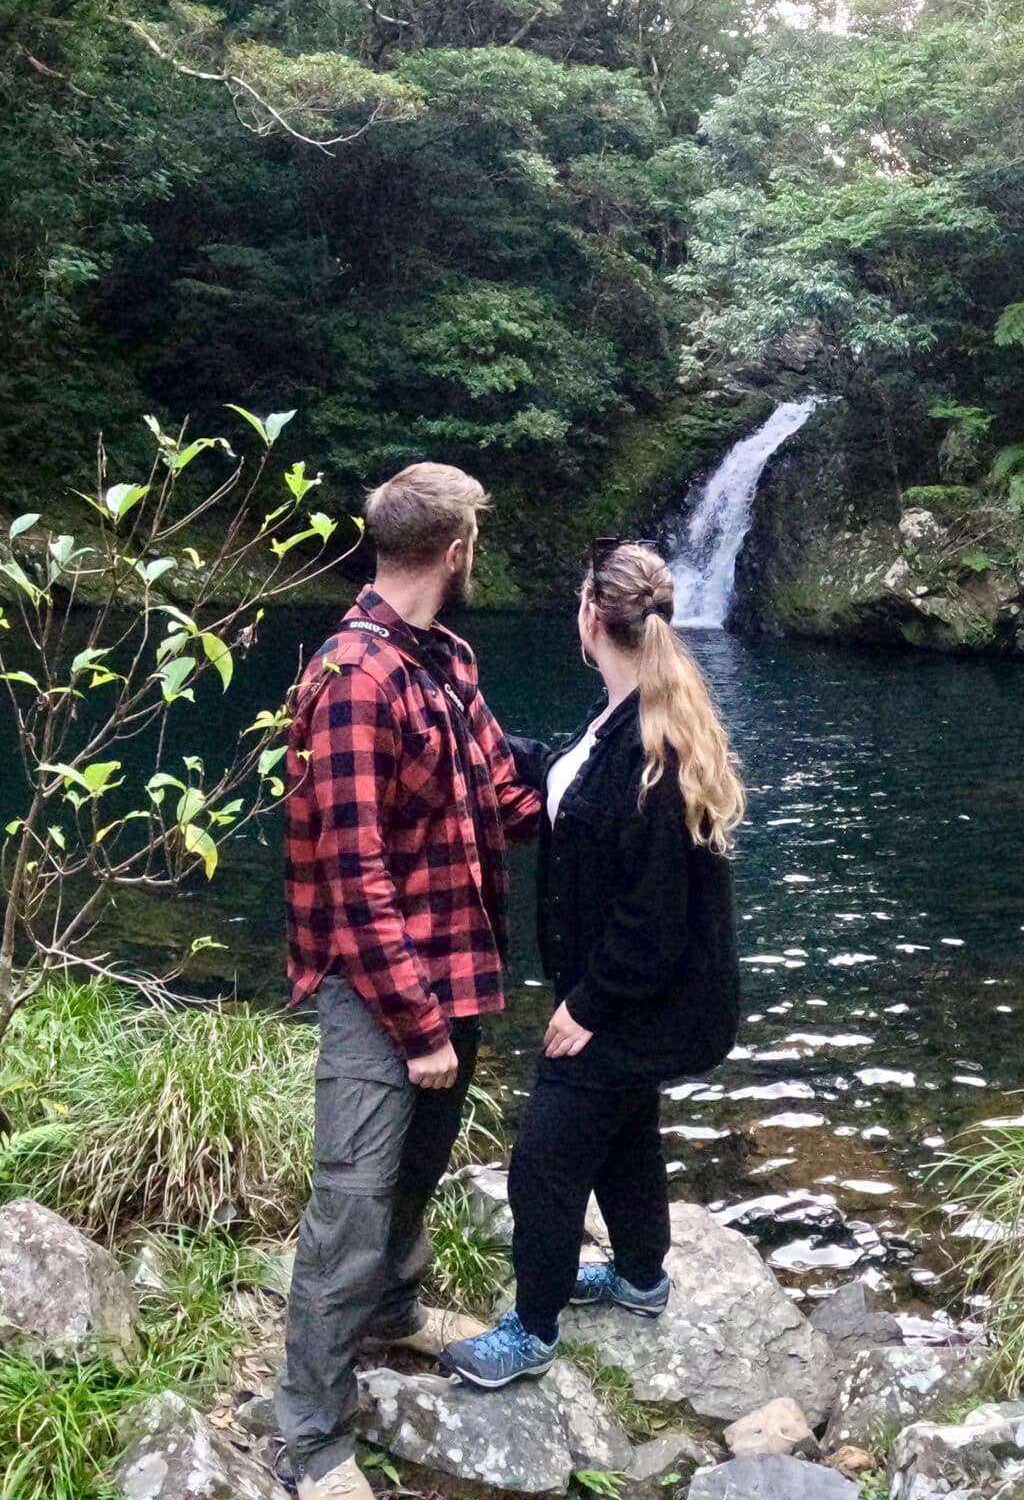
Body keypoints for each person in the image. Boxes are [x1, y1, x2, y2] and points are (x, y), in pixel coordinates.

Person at [274, 463, 546, 1500]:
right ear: (457, 548)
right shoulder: (352, 677)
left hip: (458, 970)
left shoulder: (446, 660)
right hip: (382, 993)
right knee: (348, 1203)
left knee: (416, 1171)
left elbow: (502, 797)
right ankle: (311, 1436)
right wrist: (417, 1021)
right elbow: (354, 872)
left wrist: (622, 778)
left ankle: (393, 1312)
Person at [441, 540, 745, 1389]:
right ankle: (643, 1278)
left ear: (588, 618)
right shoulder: (629, 717)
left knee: (544, 1157)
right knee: (625, 1125)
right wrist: (479, 731)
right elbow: (563, 775)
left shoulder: (655, 758)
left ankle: (531, 1330)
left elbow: (653, 923)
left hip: (644, 1001)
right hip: (655, 1001)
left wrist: (587, 1008)